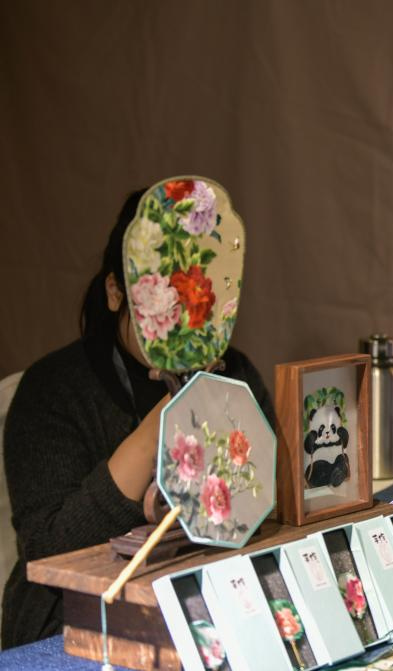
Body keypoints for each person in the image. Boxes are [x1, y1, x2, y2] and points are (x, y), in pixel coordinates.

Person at [1, 189, 275, 648]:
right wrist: (163, 425)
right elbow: (49, 547)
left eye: (196, 298)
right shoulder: (53, 388)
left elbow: (268, 504)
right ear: (116, 292)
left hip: (214, 599)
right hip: (72, 620)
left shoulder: (234, 374)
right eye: (164, 298)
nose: (182, 319)